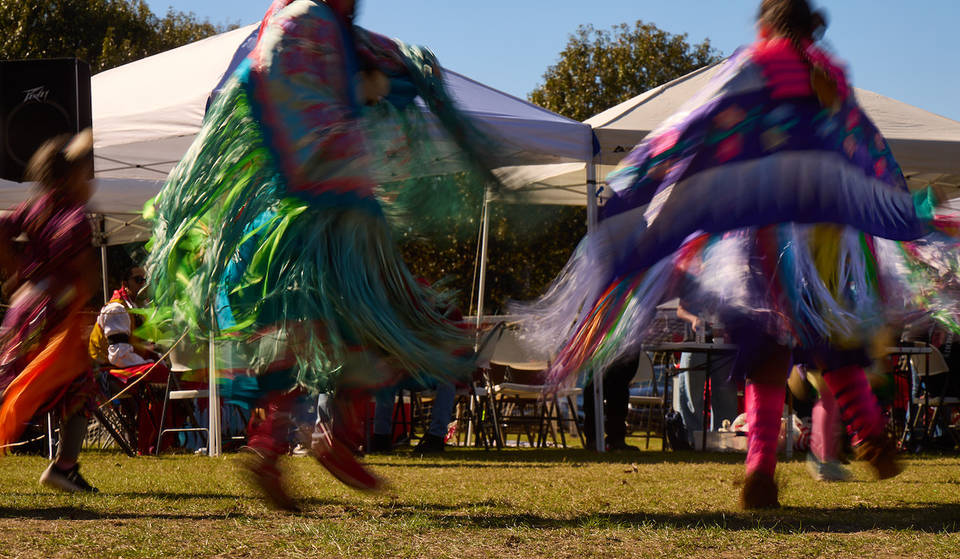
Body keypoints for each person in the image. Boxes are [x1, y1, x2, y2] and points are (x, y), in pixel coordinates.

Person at [517, 0, 960, 509]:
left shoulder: (755, 66)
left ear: (767, 23)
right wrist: (902, 208)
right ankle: (869, 434)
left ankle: (760, 473)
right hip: (829, 239)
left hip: (766, 235)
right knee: (830, 339)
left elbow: (698, 124)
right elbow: (867, 147)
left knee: (767, 354)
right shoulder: (830, 76)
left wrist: (640, 181)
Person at [144, 0, 494, 510]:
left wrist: (384, 74)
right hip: (329, 211)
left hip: (303, 212)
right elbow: (331, 88)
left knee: (336, 336)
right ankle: (320, 439)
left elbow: (269, 91)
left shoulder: (299, 27)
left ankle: (279, 448)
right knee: (372, 327)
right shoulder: (310, 23)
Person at [0, 130, 99, 492]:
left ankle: (65, 468)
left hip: (23, 311)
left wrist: (17, 270)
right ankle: (64, 467)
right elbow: (85, 273)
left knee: (10, 382)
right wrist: (83, 300)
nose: (90, 180)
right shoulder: (73, 215)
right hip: (54, 318)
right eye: (85, 172)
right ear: (68, 176)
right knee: (80, 390)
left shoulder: (36, 206)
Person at [89, 263, 171, 454]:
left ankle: (165, 439)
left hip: (119, 367)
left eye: (145, 280)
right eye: (137, 280)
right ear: (125, 284)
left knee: (167, 372)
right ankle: (148, 444)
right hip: (104, 373)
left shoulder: (135, 308)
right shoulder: (116, 309)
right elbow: (118, 353)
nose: (142, 284)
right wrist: (150, 363)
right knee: (156, 372)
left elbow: (134, 347)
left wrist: (155, 356)